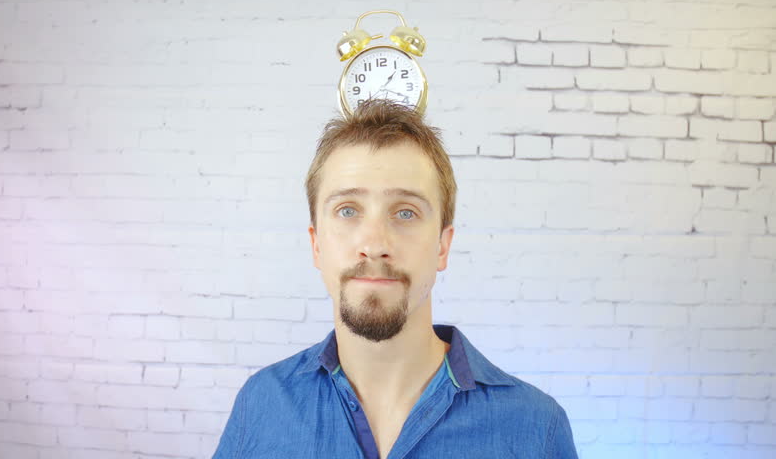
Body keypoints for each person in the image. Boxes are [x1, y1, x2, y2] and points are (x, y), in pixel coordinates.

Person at [213, 100, 578, 458]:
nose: (374, 245)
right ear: (316, 245)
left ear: (442, 246)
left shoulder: (537, 429)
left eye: (405, 212)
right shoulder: (259, 406)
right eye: (347, 210)